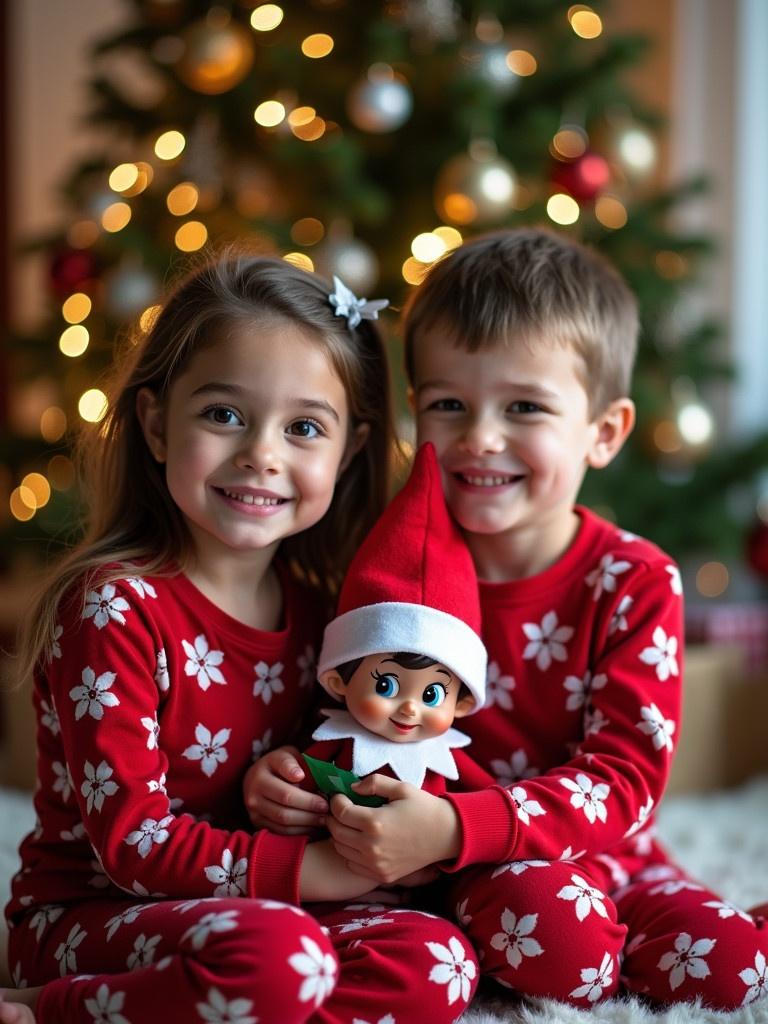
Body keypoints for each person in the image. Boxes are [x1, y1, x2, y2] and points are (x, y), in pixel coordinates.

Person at [246, 229, 768, 1011]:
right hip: (443, 876)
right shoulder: (380, 569)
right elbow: (324, 711)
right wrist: (283, 781)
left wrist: (459, 825)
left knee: (733, 971)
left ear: (605, 431)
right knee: (558, 941)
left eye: (524, 406)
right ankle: (566, 946)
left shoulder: (632, 579)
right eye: (448, 404)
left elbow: (625, 778)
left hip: (609, 854)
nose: (480, 437)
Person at [0, 255, 480, 1024]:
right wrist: (328, 873)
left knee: (440, 961)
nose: (262, 453)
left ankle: (216, 1008)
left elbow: (323, 757)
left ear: (349, 450)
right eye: (223, 414)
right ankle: (55, 1007)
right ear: (157, 425)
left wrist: (297, 785)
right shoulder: (113, 608)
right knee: (278, 959)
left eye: (303, 428)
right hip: (89, 917)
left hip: (262, 908)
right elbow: (134, 846)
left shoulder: (328, 615)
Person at [246, 441, 494, 811]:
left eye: (432, 696)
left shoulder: (447, 760)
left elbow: (492, 802)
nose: (409, 709)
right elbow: (294, 784)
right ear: (338, 681)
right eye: (386, 684)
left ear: (462, 703)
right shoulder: (334, 744)